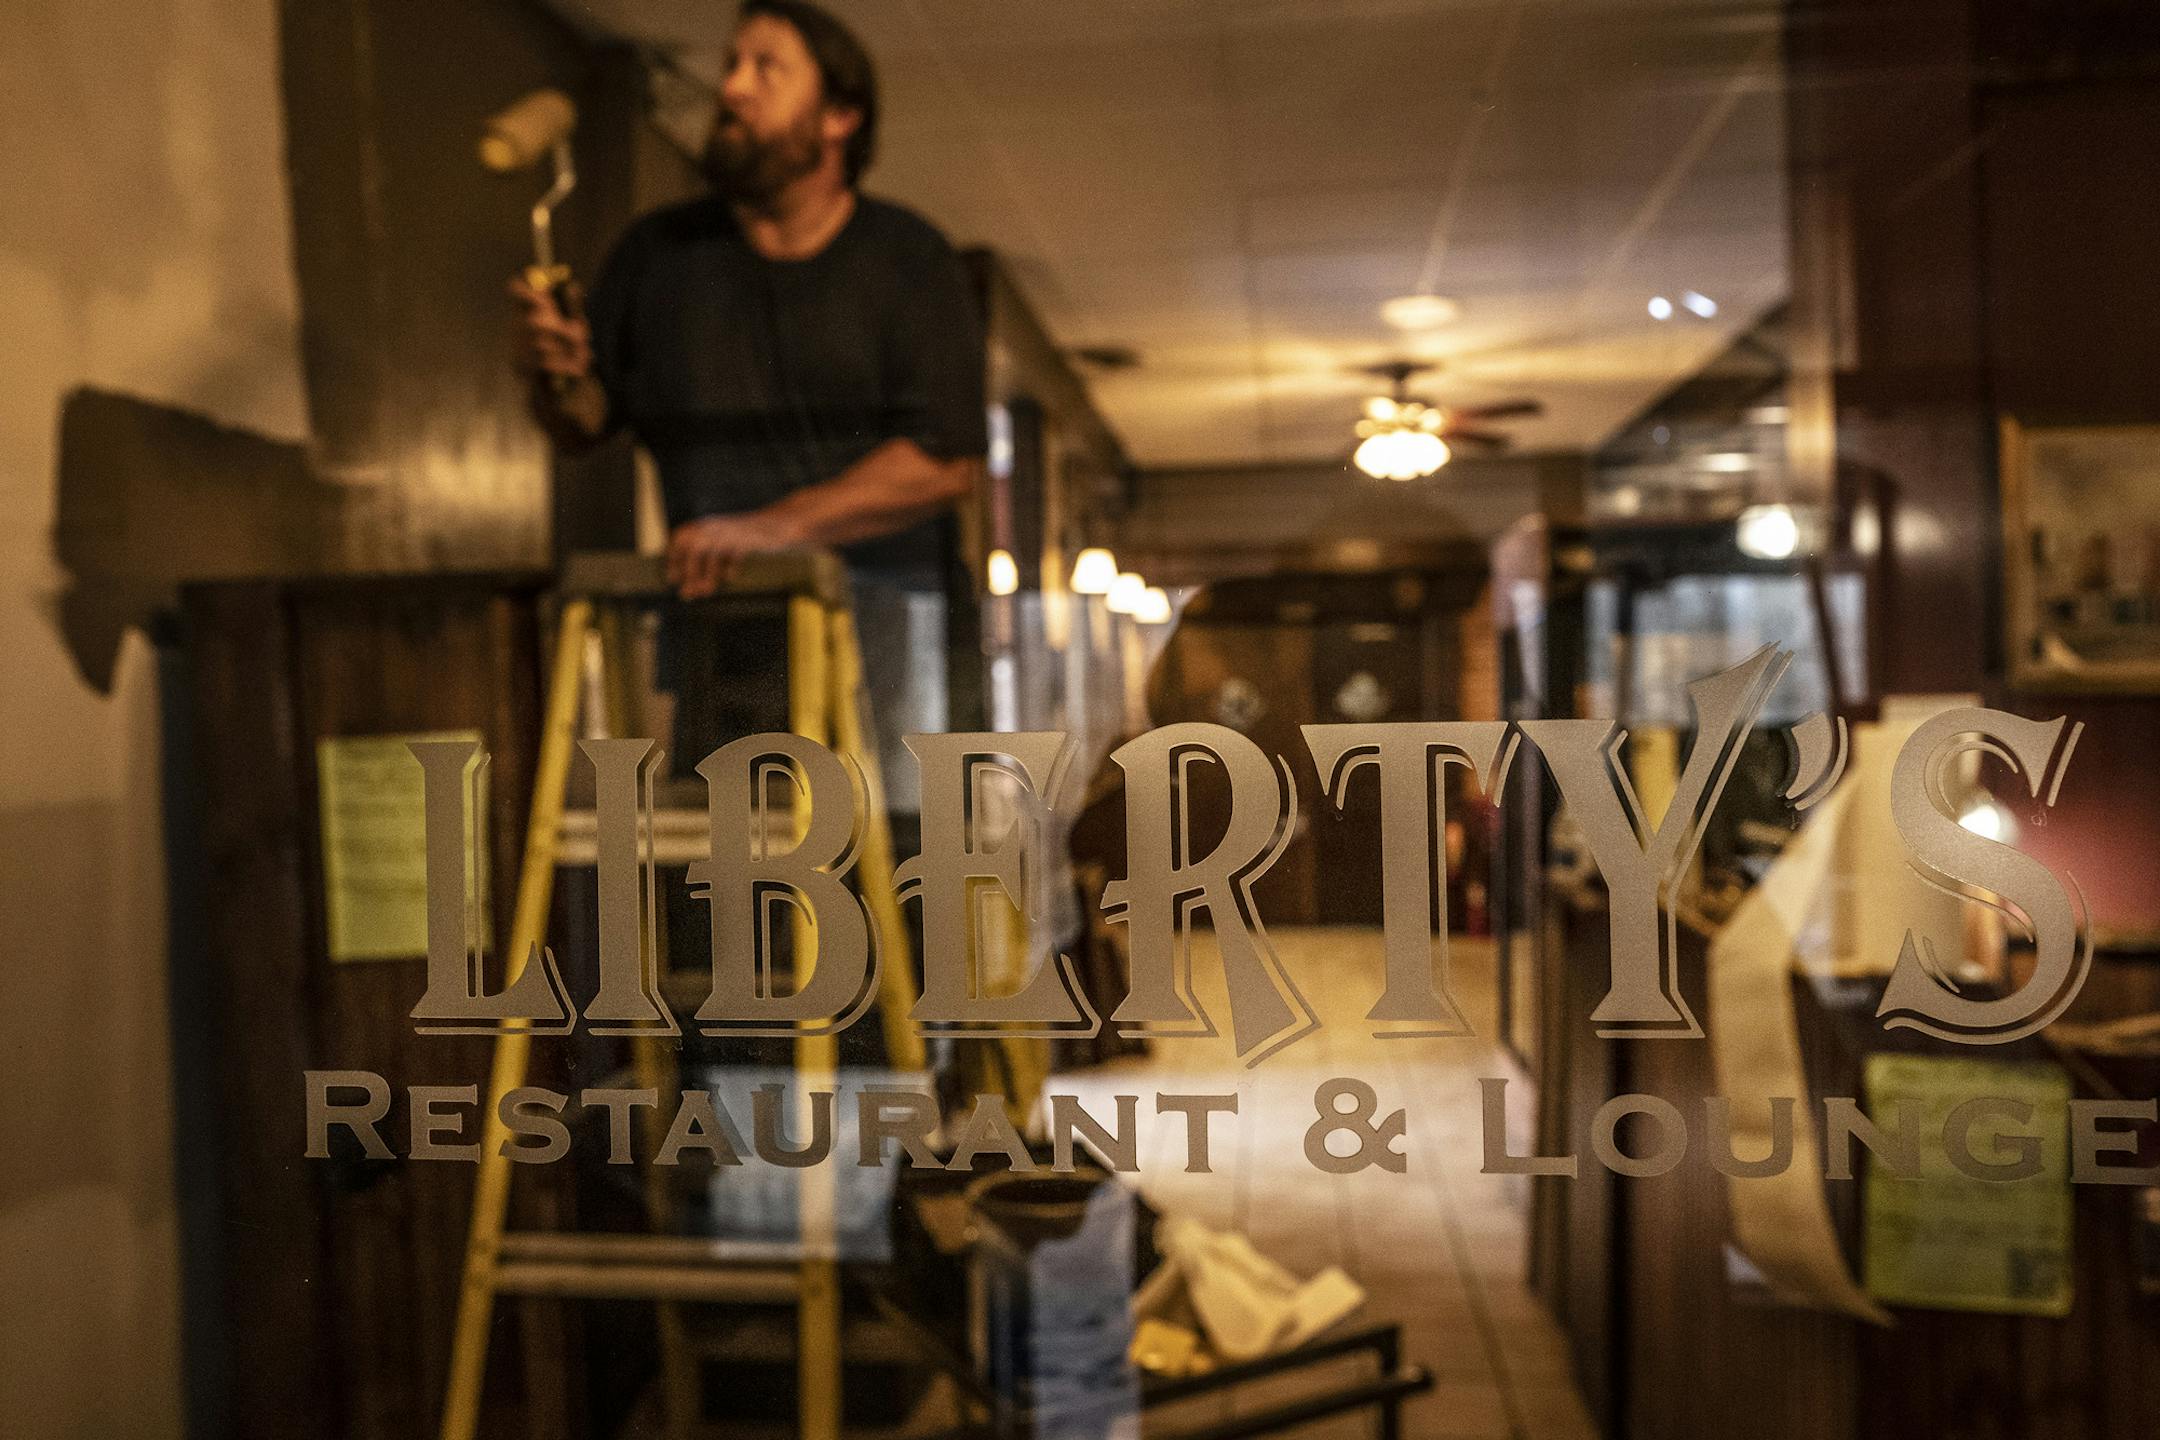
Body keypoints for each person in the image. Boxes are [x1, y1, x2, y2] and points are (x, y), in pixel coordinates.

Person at [510, 0, 985, 804]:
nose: (731, 88)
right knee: (732, 903)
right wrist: (550, 375)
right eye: (732, 64)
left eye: (767, 68)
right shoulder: (658, 256)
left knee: (901, 905)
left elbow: (944, 462)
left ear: (839, 117)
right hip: (720, 638)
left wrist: (773, 529)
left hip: (895, 647)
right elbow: (586, 422)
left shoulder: (908, 260)